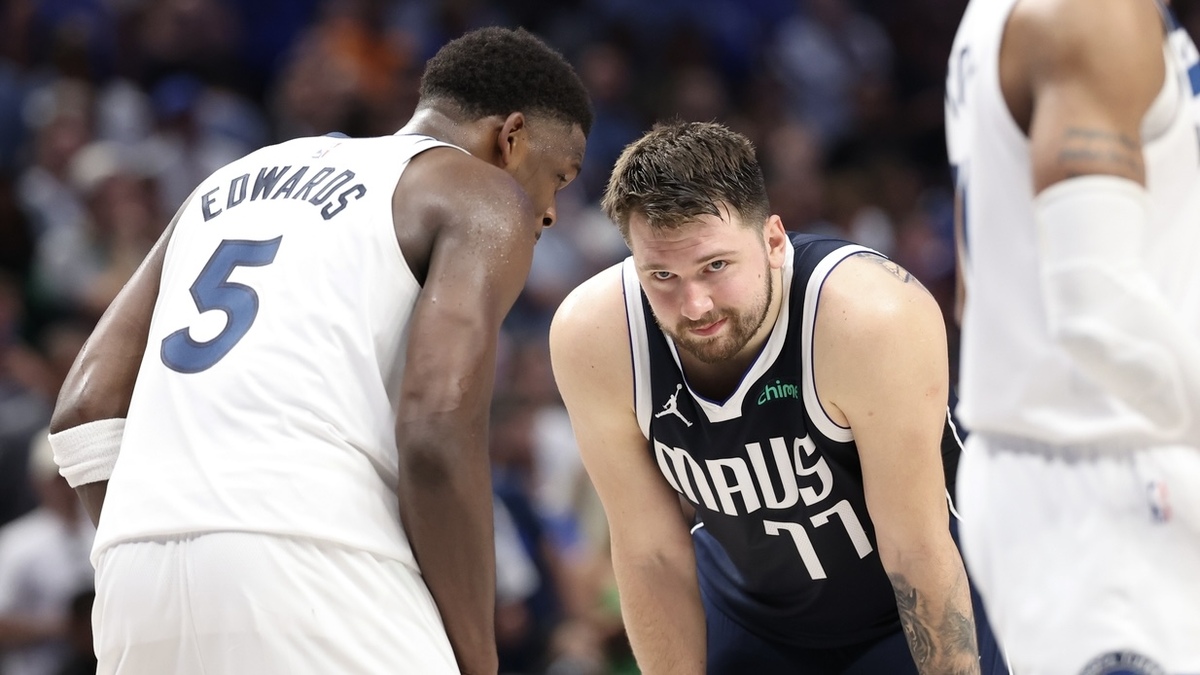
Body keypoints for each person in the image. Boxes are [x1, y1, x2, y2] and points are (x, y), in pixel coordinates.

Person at [45, 26, 591, 675]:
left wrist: (177, 536)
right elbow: (436, 424)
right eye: (559, 176)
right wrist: (475, 653)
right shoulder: (479, 191)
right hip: (321, 564)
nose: (552, 210)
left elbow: (83, 407)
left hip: (136, 577)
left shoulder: (228, 181)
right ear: (511, 137)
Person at [549, 121, 1005, 674]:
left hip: (906, 609)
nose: (694, 304)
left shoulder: (870, 317)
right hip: (748, 619)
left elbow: (916, 552)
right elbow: (650, 554)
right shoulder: (594, 337)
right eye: (661, 274)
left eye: (715, 266)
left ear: (772, 240)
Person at [944, 0, 1200, 672]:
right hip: (1109, 479)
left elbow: (982, 293)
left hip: (1092, 464)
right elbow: (1098, 309)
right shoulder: (1095, 12)